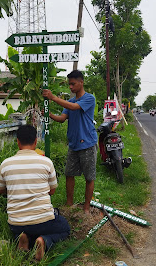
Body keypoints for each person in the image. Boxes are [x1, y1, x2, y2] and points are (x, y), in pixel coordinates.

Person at [0, 125, 70, 260]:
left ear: (17, 141)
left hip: (16, 223)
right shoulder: (46, 162)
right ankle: (44, 241)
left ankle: (23, 238)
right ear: (35, 141)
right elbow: (52, 191)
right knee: (64, 227)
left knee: (23, 228)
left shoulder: (5, 164)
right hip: (43, 221)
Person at [42, 70, 98, 214]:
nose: (71, 87)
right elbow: (62, 118)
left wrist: (53, 97)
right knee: (69, 174)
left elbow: (74, 108)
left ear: (81, 82)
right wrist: (50, 115)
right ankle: (69, 204)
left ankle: (86, 207)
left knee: (89, 177)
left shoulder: (89, 99)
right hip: (73, 144)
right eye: (69, 85)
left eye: (73, 84)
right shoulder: (71, 101)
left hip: (87, 143)